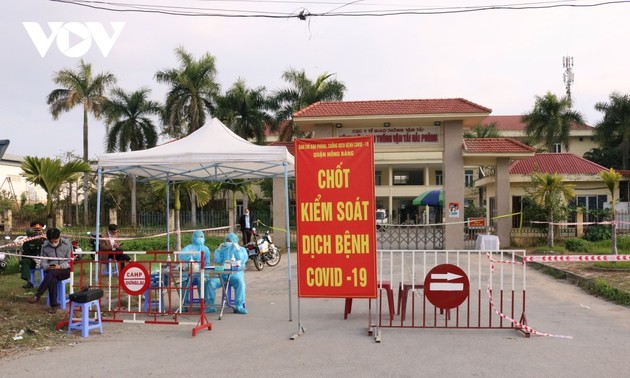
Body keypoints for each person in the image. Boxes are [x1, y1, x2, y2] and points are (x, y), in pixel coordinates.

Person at [27, 227, 72, 314]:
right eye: (51, 242)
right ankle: (54, 306)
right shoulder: (45, 246)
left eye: (55, 241)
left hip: (65, 270)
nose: (53, 243)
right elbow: (43, 261)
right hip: (51, 270)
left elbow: (70, 260)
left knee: (52, 274)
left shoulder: (67, 244)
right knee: (52, 278)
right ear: (48, 239)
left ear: (59, 237)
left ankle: (38, 295)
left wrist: (60, 266)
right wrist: (47, 266)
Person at [179, 230, 221, 313]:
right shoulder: (189, 247)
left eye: (202, 237)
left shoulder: (206, 249)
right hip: (189, 273)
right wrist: (190, 257)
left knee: (203, 282)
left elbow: (207, 263)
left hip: (201, 273)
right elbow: (181, 255)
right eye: (198, 237)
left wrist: (204, 270)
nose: (200, 239)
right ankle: (184, 304)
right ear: (194, 238)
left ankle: (204, 303)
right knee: (184, 283)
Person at [214, 232, 248, 314]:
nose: (228, 242)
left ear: (235, 241)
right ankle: (210, 306)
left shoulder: (241, 249)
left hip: (235, 274)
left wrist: (238, 250)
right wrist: (218, 250)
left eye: (229, 240)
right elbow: (217, 260)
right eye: (226, 240)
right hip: (222, 275)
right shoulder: (223, 250)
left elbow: (242, 261)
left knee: (240, 283)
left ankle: (239, 306)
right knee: (210, 283)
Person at [19, 221, 45, 289]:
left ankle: (46, 282)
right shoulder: (26, 240)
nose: (37, 232)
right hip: (32, 261)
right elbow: (25, 254)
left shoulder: (45, 239)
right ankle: (29, 281)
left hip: (43, 261)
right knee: (25, 261)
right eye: (35, 231)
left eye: (39, 230)